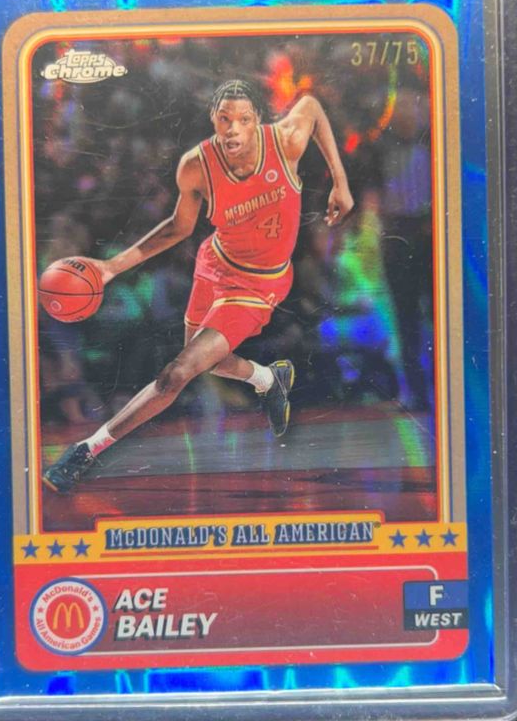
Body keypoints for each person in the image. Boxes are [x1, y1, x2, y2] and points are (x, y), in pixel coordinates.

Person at [43, 80, 354, 493]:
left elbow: (311, 105)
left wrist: (340, 181)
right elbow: (178, 227)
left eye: (243, 119)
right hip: (214, 264)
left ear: (258, 121)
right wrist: (110, 268)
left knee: (177, 373)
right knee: (204, 363)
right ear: (214, 120)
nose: (233, 129)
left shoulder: (285, 143)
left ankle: (85, 451)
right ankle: (267, 379)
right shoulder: (196, 166)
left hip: (258, 286)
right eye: (224, 119)